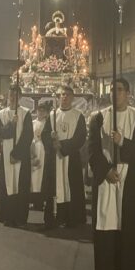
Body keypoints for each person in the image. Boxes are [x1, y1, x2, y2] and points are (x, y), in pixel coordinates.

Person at [88, 78, 135, 270]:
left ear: (128, 93)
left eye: (120, 90)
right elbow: (93, 149)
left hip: (128, 177)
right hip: (107, 177)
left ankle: (129, 269)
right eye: (112, 90)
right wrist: (105, 171)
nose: (115, 94)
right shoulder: (98, 119)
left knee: (128, 223)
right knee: (107, 223)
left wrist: (122, 142)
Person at [47, 85, 87, 228]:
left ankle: (73, 218)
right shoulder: (52, 115)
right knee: (56, 187)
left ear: (72, 98)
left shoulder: (78, 115)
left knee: (71, 186)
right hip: (55, 158)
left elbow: (80, 137)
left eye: (67, 95)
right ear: (58, 97)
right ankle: (56, 217)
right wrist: (51, 141)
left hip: (71, 158)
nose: (64, 97)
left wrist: (63, 146)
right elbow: (46, 135)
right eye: (62, 94)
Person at [0, 86, 32, 228]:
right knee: (7, 185)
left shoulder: (25, 113)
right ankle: (7, 216)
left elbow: (27, 136)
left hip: (20, 155)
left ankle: (20, 217)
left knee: (20, 185)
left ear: (21, 96)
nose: (13, 97)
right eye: (11, 94)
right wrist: (12, 124)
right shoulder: (1, 114)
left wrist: (16, 154)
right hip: (5, 155)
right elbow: (0, 133)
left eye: (16, 95)